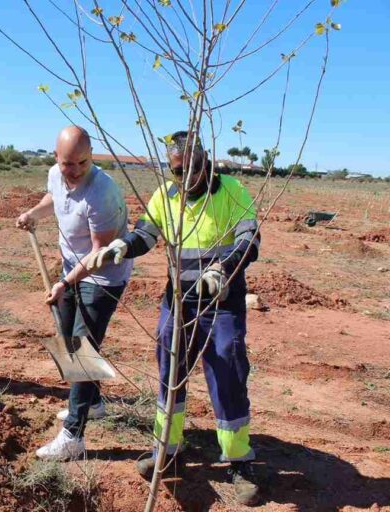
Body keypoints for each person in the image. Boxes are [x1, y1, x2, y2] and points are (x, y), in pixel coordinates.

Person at [87, 131, 261, 505]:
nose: (187, 177)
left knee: (227, 365)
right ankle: (167, 448)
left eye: (194, 167)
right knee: (170, 369)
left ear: (206, 160)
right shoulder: (165, 195)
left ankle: (238, 460)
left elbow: (250, 242)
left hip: (221, 301)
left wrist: (222, 269)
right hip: (178, 300)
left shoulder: (232, 190)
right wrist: (123, 245)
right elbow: (147, 235)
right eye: (178, 170)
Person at [16, 126, 133, 461]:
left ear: (91, 154)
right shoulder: (56, 173)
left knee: (82, 350)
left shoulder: (102, 192)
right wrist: (31, 214)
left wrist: (65, 283)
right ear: (57, 157)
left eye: (82, 162)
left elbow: (99, 253)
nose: (76, 170)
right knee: (67, 338)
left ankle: (73, 436)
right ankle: (93, 402)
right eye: (69, 163)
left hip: (103, 275)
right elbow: (54, 198)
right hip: (71, 269)